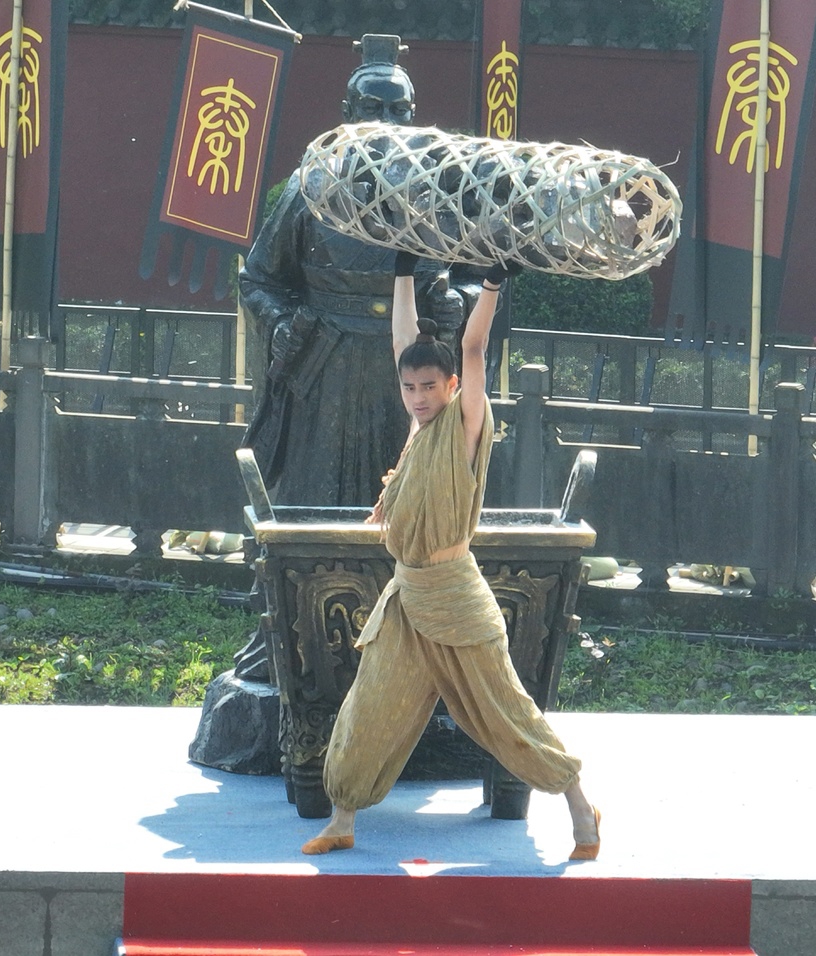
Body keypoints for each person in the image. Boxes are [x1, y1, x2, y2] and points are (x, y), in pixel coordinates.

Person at [299, 250, 601, 861]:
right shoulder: (417, 428)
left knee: (504, 713)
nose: (417, 397)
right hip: (407, 598)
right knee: (369, 707)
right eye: (409, 387)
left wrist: (491, 284)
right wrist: (402, 272)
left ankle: (578, 804)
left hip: (456, 597)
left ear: (452, 387)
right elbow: (403, 340)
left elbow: (474, 347)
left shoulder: (465, 424)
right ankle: (342, 817)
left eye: (428, 387)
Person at [240, 35, 464, 508]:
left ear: (413, 114)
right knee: (313, 497)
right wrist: (281, 323)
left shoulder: (433, 196)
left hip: (402, 368)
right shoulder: (310, 188)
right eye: (371, 108)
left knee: (401, 497)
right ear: (347, 112)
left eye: (398, 110)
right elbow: (259, 279)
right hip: (325, 364)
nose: (384, 122)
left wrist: (454, 302)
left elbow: (460, 279)